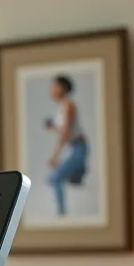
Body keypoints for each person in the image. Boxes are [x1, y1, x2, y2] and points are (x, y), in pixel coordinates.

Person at [43, 74, 88, 217]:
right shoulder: (62, 107)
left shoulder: (68, 105)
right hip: (73, 148)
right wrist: (54, 126)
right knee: (55, 179)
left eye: (55, 86)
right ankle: (78, 176)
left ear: (62, 88)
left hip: (78, 148)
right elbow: (64, 129)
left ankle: (61, 213)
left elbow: (66, 133)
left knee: (55, 178)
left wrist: (54, 156)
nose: (52, 90)